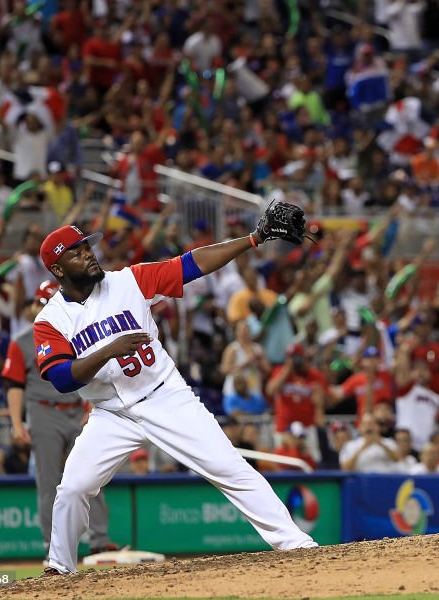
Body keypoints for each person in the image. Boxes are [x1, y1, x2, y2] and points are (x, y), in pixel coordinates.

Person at [32, 215, 318, 575]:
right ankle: (59, 566)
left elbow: (191, 264)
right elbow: (60, 377)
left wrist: (254, 238)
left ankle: (298, 544)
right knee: (73, 487)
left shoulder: (128, 282)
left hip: (165, 396)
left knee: (227, 466)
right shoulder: (50, 320)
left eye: (87, 246)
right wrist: (107, 350)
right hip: (110, 413)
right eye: (76, 253)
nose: (89, 255)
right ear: (58, 269)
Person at [3, 281, 118, 555]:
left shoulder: (75, 334)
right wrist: (17, 424)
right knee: (49, 482)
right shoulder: (21, 341)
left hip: (76, 409)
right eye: (41, 303)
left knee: (91, 474)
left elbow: (93, 374)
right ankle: (51, 546)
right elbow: (14, 386)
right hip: (43, 413)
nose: (44, 308)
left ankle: (100, 542)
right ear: (33, 306)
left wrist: (90, 407)